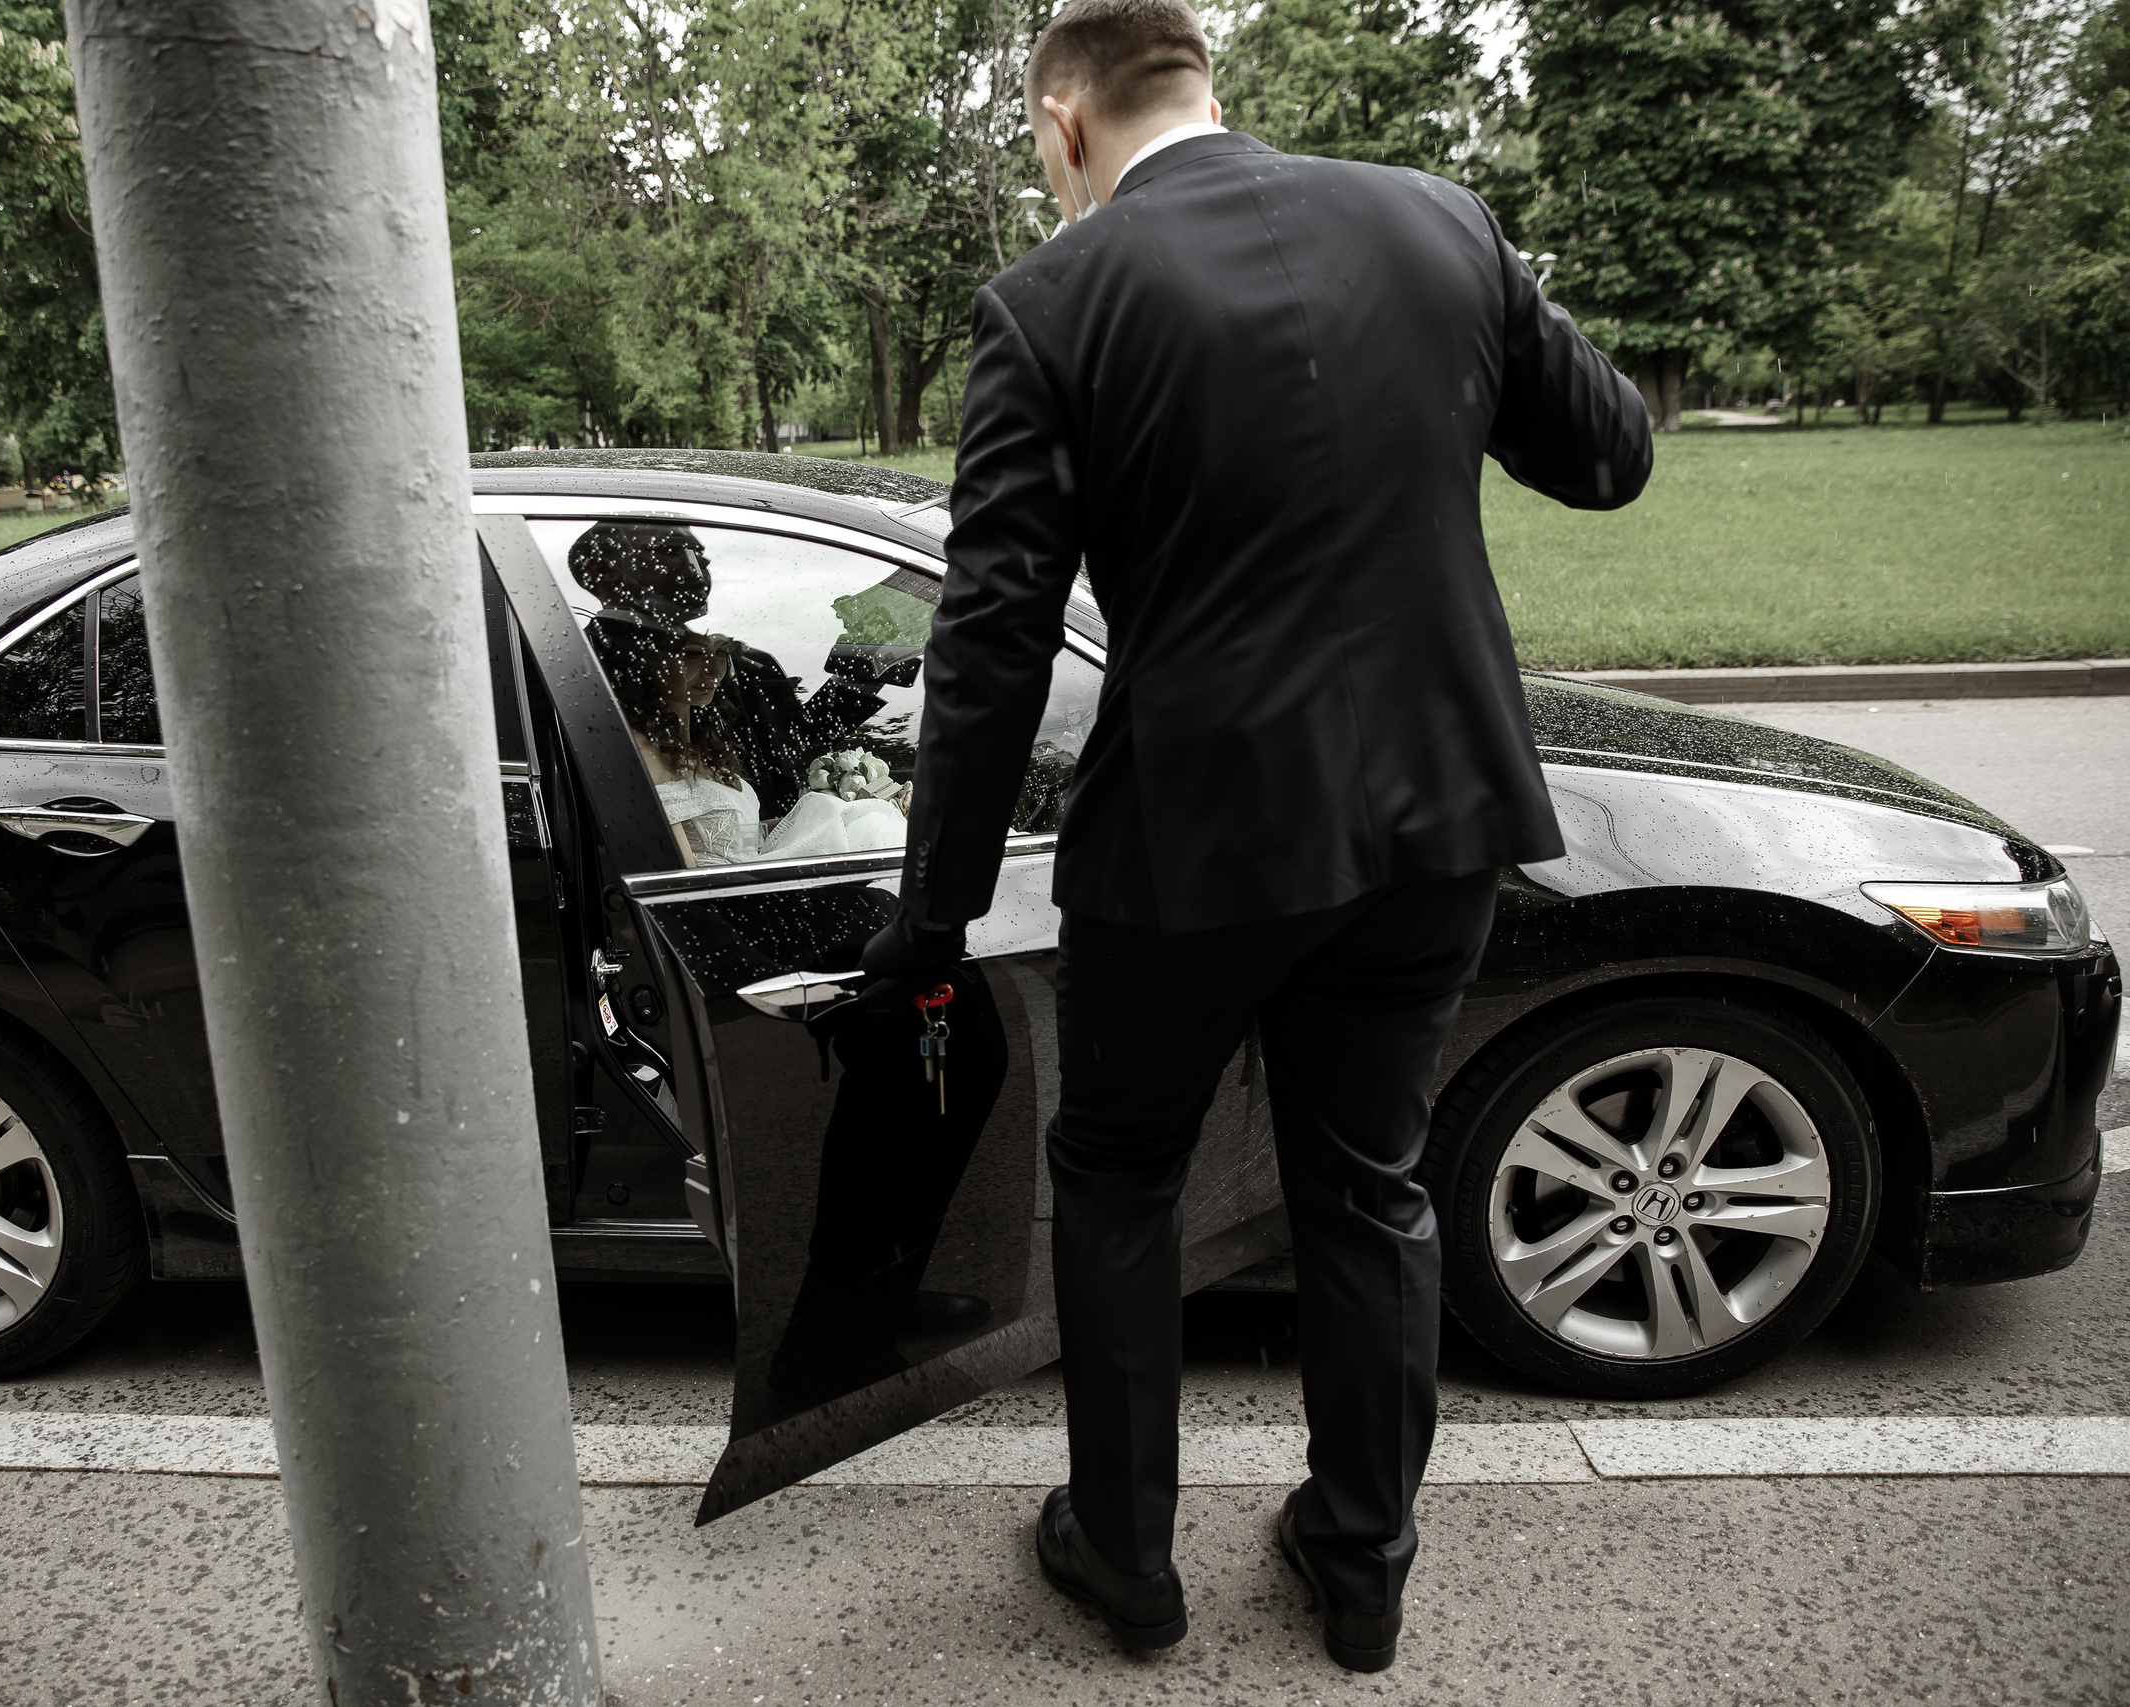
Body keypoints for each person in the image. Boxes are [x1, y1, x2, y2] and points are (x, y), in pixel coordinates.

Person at [858, 0, 1651, 1672]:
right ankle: (1360, 1565)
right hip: (1437, 817)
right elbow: (1610, 455)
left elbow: (993, 637)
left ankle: (1127, 1559)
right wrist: (1487, 296)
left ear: (1064, 124)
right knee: (1367, 1184)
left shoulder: (1053, 301)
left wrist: (930, 922)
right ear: (1205, 88)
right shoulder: (1440, 222)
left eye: (1037, 146)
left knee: (1122, 1173)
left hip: (1194, 847)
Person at [567, 522, 912, 865]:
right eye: (674, 551)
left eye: (701, 555)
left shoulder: (729, 677)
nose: (699, 566)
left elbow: (790, 743)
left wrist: (840, 812)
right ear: (603, 569)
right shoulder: (584, 665)